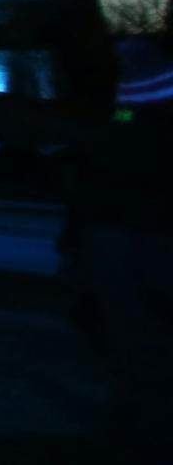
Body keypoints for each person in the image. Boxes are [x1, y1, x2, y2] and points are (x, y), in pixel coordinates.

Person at [70, 35, 173, 464]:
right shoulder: (138, 124)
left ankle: (145, 425)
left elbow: (92, 192)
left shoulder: (120, 130)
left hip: (122, 242)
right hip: (134, 241)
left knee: (135, 337)